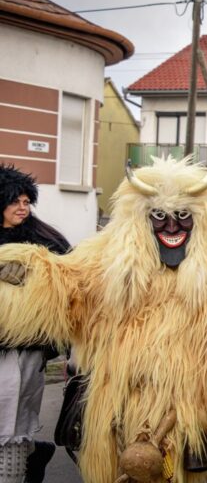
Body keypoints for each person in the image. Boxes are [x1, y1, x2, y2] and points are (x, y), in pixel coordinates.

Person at [0, 158, 207, 483]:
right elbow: (66, 286)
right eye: (159, 216)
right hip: (118, 409)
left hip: (180, 420)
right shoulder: (108, 267)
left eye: (183, 216)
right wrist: (24, 273)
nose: (171, 227)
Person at [0, 165, 69, 483]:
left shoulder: (47, 241)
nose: (22, 208)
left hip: (25, 349)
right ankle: (35, 452)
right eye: (15, 201)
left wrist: (36, 274)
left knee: (12, 419)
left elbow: (70, 285)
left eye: (27, 201)